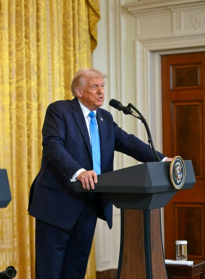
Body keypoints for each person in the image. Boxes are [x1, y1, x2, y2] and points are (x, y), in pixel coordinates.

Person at [28, 68, 171, 279]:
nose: (101, 91)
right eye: (94, 86)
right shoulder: (60, 111)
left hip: (89, 203)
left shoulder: (104, 118)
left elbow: (127, 141)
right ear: (79, 91)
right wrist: (78, 172)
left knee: (75, 269)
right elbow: (53, 145)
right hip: (57, 203)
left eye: (102, 86)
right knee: (50, 270)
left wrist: (162, 160)